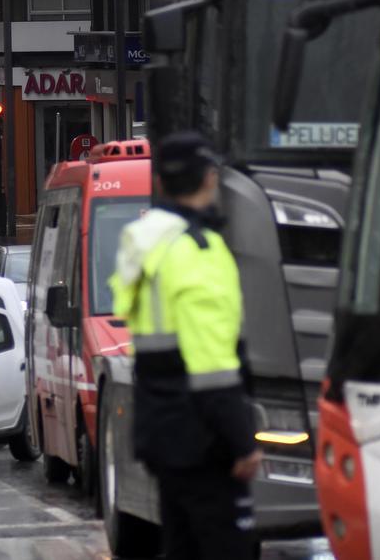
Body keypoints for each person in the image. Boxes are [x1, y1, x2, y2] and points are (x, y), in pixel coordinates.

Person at [109, 131, 262, 560]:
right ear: (211, 179)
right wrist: (242, 440)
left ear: (159, 183)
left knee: (180, 546)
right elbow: (212, 364)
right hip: (205, 436)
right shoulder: (197, 249)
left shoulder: (142, 242)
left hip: (161, 429)